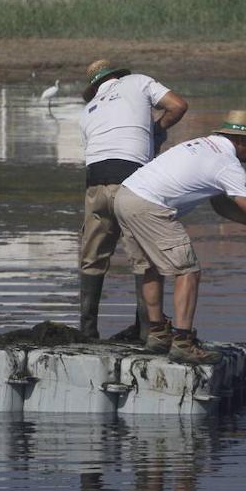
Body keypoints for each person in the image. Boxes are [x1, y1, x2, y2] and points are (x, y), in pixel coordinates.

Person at [113, 110, 246, 364]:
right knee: (187, 271)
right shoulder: (227, 163)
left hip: (126, 196)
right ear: (243, 141)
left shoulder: (202, 145)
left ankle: (157, 334)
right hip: (149, 205)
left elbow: (222, 206)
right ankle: (182, 342)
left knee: (149, 267)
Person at [78, 59, 189, 341]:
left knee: (92, 258)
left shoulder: (87, 111)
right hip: (131, 181)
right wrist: (156, 130)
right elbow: (177, 105)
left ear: (96, 86)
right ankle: (145, 330)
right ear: (117, 75)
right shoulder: (139, 81)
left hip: (94, 184)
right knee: (143, 258)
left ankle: (87, 331)